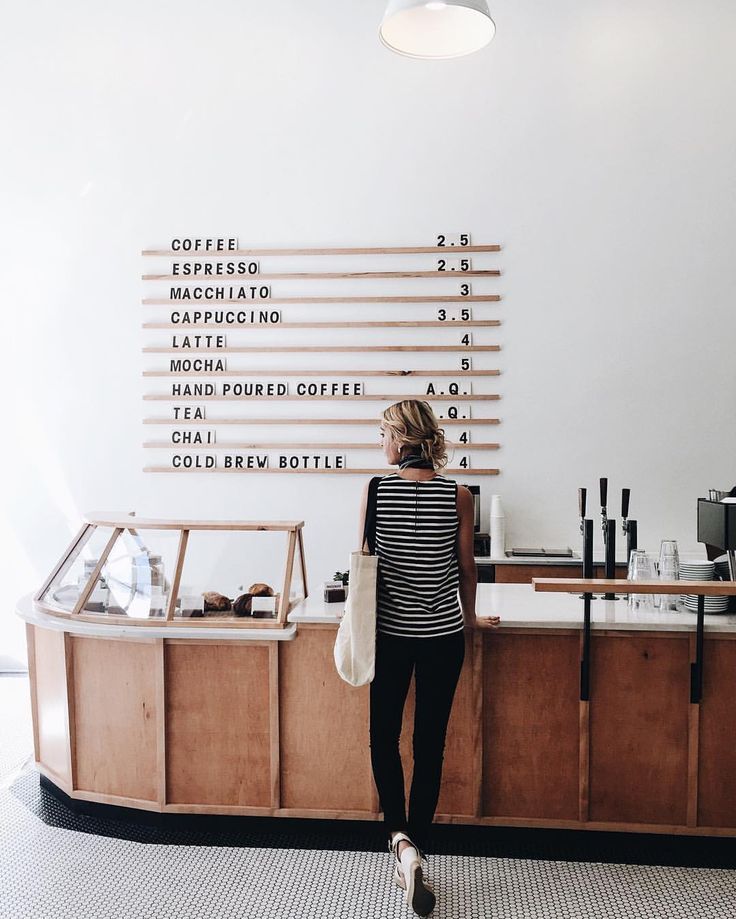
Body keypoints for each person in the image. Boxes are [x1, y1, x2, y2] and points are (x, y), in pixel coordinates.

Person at [357, 399, 500, 917]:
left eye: (382, 434)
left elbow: (366, 568)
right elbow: (467, 570)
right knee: (430, 744)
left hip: (390, 636)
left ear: (398, 439)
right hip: (443, 637)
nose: (381, 443)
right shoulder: (459, 495)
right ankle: (417, 841)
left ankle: (400, 841)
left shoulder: (376, 492)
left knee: (383, 738)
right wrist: (470, 619)